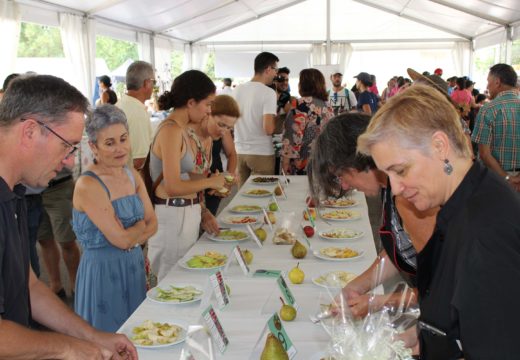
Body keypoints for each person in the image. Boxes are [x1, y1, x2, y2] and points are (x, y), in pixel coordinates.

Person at [357, 84, 520, 359]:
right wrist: (428, 338)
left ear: (439, 146)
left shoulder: (485, 230)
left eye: (401, 170)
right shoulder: (464, 198)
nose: (395, 189)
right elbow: (464, 312)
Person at [0, 74, 137, 359]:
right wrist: (69, 347)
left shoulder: (15, 193)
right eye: (67, 146)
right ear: (29, 131)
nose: (69, 161)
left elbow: (30, 287)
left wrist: (93, 336)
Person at [308, 113, 437, 319]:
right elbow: (399, 249)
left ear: (359, 159)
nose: (345, 186)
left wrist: (380, 302)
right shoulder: (389, 187)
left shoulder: (412, 195)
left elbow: (446, 287)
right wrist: (356, 287)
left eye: (342, 176)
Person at [72, 104, 157, 332]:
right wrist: (139, 227)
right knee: (107, 340)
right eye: (109, 143)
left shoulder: (133, 175)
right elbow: (122, 240)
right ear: (93, 146)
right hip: (102, 273)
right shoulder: (88, 184)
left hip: (134, 265)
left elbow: (153, 223)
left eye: (123, 139)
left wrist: (132, 234)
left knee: (139, 335)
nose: (120, 149)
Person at [147, 70, 225, 281]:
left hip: (185, 214)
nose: (209, 111)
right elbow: (173, 186)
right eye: (207, 104)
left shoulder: (182, 129)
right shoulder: (171, 130)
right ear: (191, 102)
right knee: (170, 281)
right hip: (172, 216)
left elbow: (189, 181)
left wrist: (203, 210)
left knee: (185, 279)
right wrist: (212, 181)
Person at [472, 63, 520, 192]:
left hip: (495, 178)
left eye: (488, 82)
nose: (487, 86)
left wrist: (507, 178)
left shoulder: (488, 109)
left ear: (497, 82)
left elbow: (484, 154)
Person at [233, 51, 278, 186]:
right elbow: (268, 129)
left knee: (242, 198)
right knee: (261, 197)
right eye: (275, 70)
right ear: (268, 69)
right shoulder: (268, 93)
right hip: (261, 152)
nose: (276, 74)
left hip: (239, 151)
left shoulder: (237, 90)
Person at [281, 68, 333, 175]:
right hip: (325, 161)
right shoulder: (328, 106)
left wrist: (285, 163)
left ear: (303, 84)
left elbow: (292, 136)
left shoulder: (299, 104)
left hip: (303, 163)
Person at [204, 95, 240, 215]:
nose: (224, 131)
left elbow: (231, 154)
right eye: (221, 125)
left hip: (215, 183)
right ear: (208, 114)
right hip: (199, 185)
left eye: (229, 127)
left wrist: (228, 181)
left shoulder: (224, 130)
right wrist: (210, 182)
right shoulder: (195, 135)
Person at [116, 60, 155, 171]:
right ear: (146, 83)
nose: (153, 86)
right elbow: (139, 161)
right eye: (154, 82)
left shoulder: (120, 104)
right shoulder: (137, 112)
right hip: (129, 180)